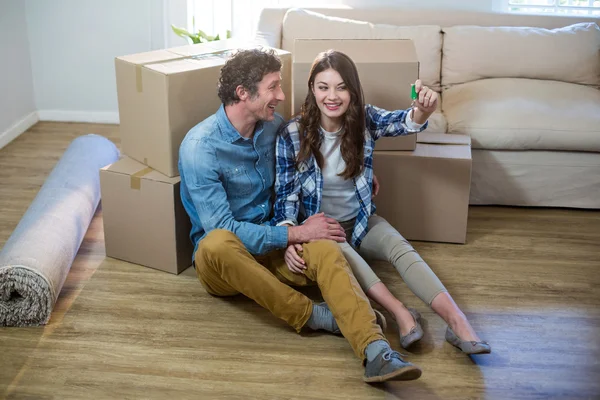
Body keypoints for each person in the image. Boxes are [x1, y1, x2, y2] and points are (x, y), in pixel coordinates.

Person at [178, 48, 424, 383]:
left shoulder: (273, 127)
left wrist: (357, 176)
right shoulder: (200, 147)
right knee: (216, 242)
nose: (281, 96)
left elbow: (304, 170)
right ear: (243, 94)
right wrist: (293, 235)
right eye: (273, 88)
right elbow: (224, 228)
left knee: (324, 244)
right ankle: (314, 316)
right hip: (226, 263)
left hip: (276, 245)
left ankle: (376, 351)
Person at [273, 50, 491, 355]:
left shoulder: (365, 119)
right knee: (349, 257)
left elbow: (404, 121)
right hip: (323, 230)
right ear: (312, 88)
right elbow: (285, 196)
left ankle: (458, 323)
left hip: (361, 221)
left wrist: (423, 110)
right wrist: (288, 235)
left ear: (353, 89)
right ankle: (401, 313)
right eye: (323, 87)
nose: (332, 96)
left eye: (341, 87)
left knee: (401, 248)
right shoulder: (291, 134)